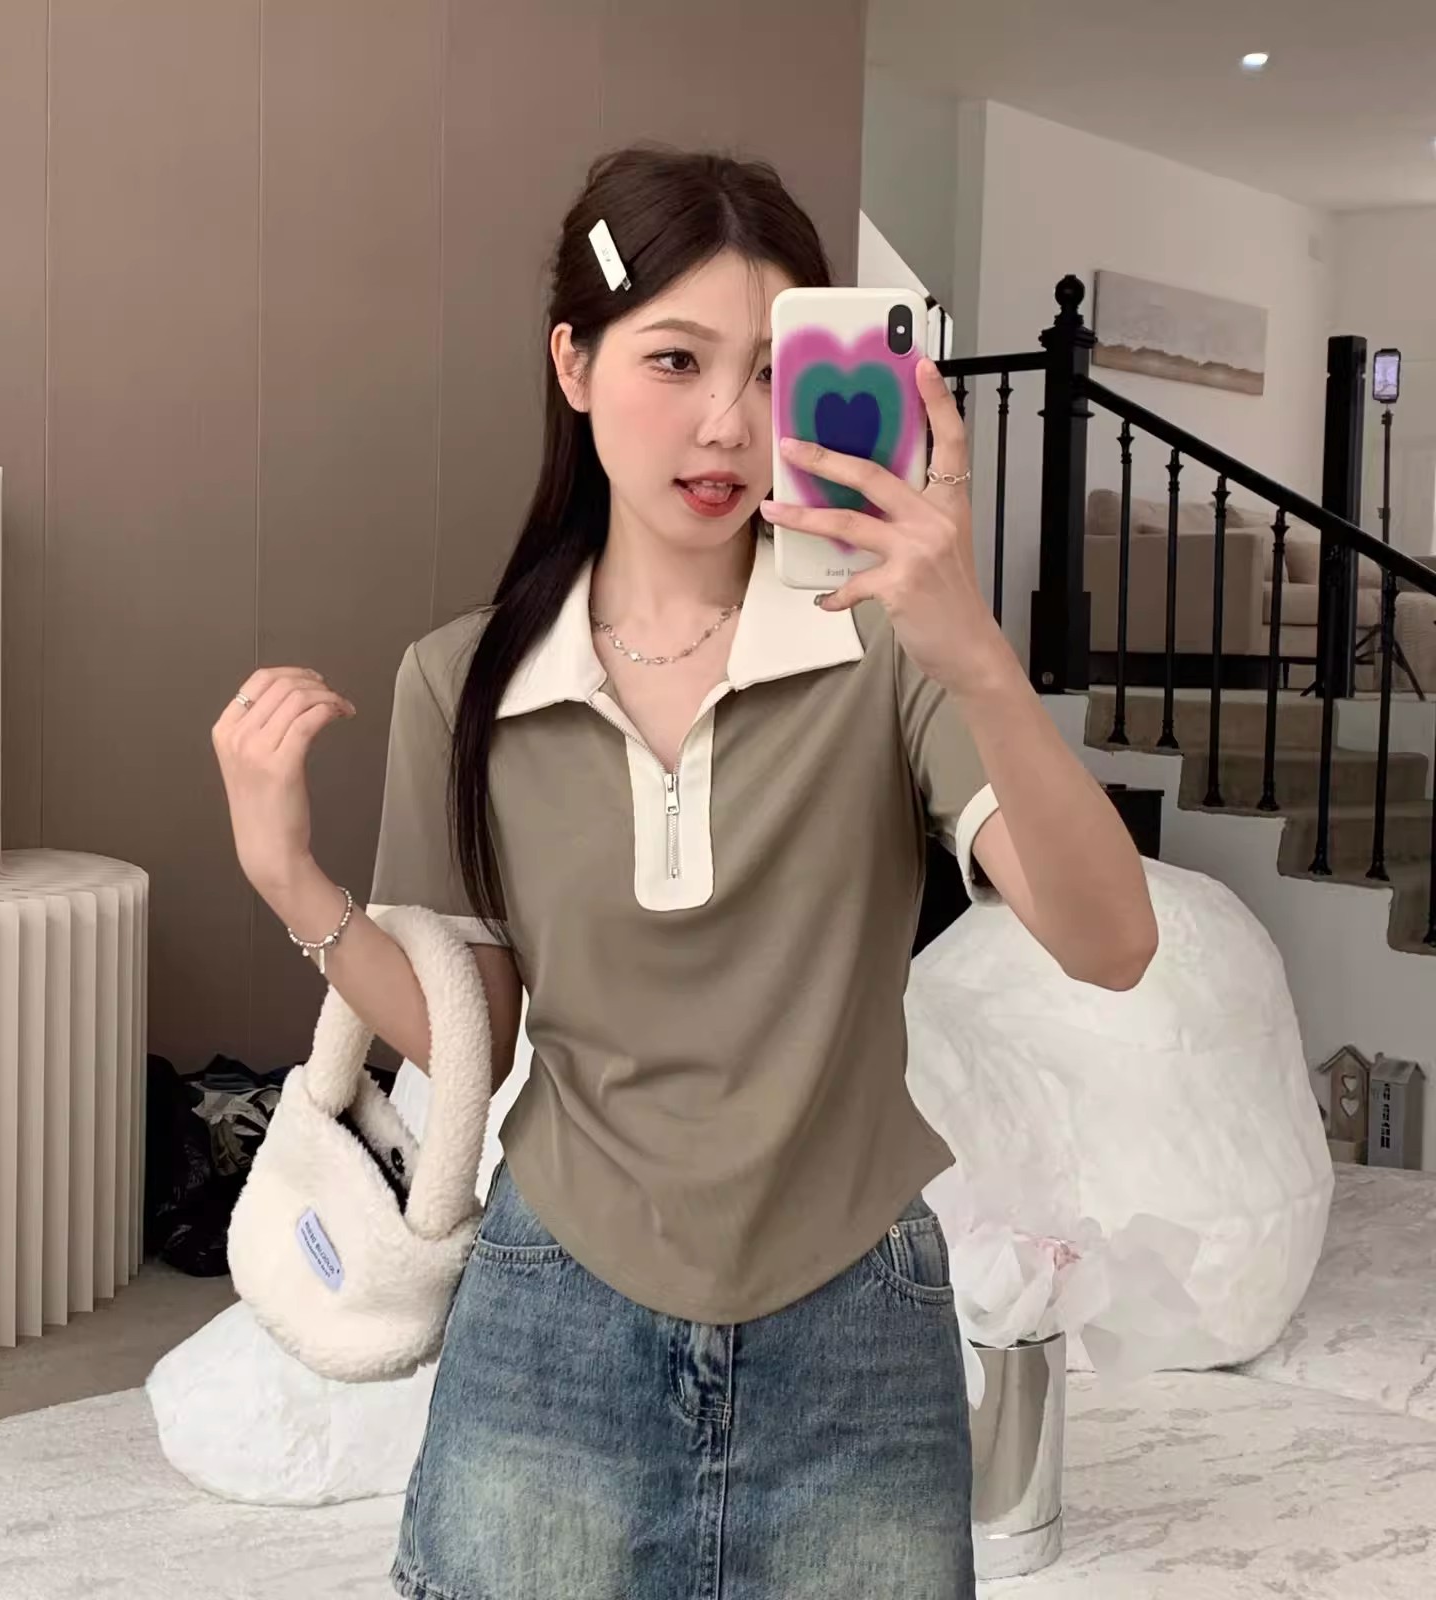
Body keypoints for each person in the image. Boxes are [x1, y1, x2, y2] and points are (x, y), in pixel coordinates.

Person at [212, 147, 1158, 1600]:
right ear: (573, 366)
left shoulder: (888, 653)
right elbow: (476, 1035)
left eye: (774, 371)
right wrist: (290, 878)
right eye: (675, 359)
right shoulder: (461, 680)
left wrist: (974, 652)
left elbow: (1112, 944)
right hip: (554, 1316)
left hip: (856, 1325)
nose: (728, 423)